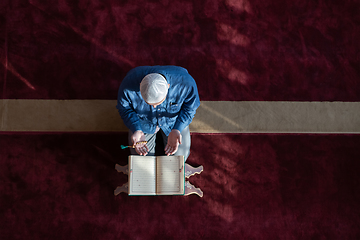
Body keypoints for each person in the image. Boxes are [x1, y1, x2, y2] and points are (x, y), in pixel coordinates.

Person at [116, 65, 200, 161]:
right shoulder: (127, 85)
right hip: (144, 122)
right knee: (141, 160)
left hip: (173, 122)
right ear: (140, 85)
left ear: (168, 87)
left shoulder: (186, 84)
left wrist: (177, 129)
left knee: (180, 158)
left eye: (158, 102)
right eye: (148, 103)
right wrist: (136, 129)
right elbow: (124, 109)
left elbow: (189, 109)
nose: (154, 107)